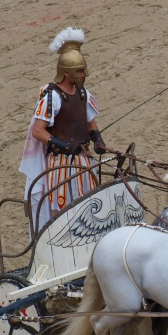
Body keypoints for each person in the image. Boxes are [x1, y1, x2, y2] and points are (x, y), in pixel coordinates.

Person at [19, 27, 109, 234]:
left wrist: (98, 141)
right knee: (64, 206)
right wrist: (64, 145)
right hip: (60, 164)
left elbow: (90, 122)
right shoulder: (52, 96)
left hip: (83, 159)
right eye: (79, 70)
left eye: (83, 69)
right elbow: (38, 132)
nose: (83, 74)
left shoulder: (83, 93)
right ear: (66, 72)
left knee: (89, 202)